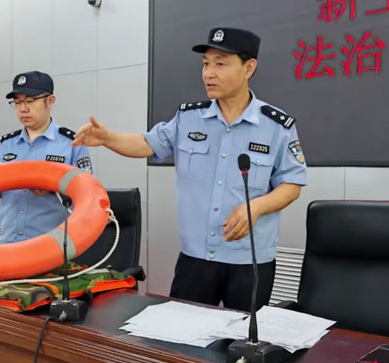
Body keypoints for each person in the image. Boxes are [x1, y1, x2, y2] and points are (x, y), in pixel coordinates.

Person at [72, 28, 307, 311]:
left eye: (220, 64)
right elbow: (147, 144)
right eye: (205, 64)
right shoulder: (189, 118)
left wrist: (255, 207)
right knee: (182, 333)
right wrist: (108, 138)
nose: (209, 73)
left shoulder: (276, 127)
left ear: (248, 68)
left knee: (243, 337)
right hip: (195, 259)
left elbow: (291, 184)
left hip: (250, 261)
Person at [0, 71, 92, 244]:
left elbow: (86, 197)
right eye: (17, 102)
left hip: (53, 247)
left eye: (30, 101)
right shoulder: (7, 145)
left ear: (50, 101)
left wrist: (52, 188)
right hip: (10, 245)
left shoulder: (73, 144)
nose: (23, 109)